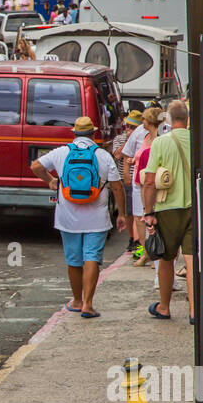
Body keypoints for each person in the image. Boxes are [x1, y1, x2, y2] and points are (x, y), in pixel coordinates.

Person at [30, 115, 127, 319]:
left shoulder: (61, 152)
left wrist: (51, 180)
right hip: (97, 217)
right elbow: (117, 187)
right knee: (92, 257)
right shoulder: (102, 155)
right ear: (93, 133)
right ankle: (88, 305)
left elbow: (35, 166)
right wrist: (122, 214)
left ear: (74, 133)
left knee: (74, 260)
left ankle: (77, 301)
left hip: (67, 217)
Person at [142, 100, 195, 324]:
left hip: (167, 209)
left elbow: (150, 182)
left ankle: (164, 306)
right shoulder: (197, 141)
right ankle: (194, 311)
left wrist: (148, 212)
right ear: (187, 118)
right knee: (192, 261)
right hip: (195, 207)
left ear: (170, 120)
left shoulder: (161, 143)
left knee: (166, 258)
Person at [130, 107, 162, 263]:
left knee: (151, 217)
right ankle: (146, 252)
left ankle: (154, 251)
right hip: (139, 181)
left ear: (150, 121)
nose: (141, 121)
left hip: (150, 182)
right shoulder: (146, 136)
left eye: (143, 119)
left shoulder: (159, 138)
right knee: (138, 218)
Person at [117, 110, 145, 251]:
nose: (129, 129)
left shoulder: (144, 135)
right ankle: (133, 239)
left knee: (140, 213)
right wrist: (128, 140)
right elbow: (118, 155)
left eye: (132, 127)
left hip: (143, 179)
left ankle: (138, 242)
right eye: (127, 126)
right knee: (131, 212)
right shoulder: (121, 138)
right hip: (130, 180)